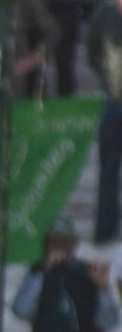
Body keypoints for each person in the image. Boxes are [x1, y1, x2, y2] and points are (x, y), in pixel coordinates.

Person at [11, 217, 121, 332]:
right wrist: (42, 274)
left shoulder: (89, 273)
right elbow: (21, 311)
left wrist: (103, 289)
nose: (60, 247)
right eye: (55, 242)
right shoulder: (37, 272)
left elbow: (109, 323)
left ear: (74, 245)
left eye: (64, 242)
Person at [89, 0, 122, 243]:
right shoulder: (105, 14)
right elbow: (93, 53)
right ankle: (105, 226)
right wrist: (106, 77)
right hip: (113, 99)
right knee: (108, 166)